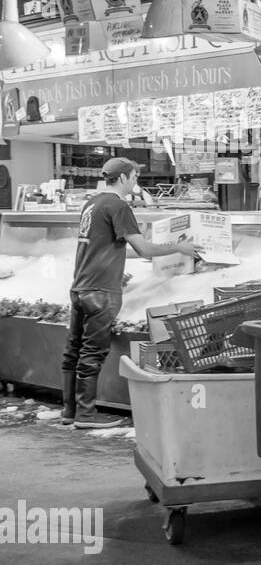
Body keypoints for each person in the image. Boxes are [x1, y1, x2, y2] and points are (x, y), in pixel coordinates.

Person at [62, 158, 200, 429]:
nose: (136, 182)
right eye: (135, 176)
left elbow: (110, 246)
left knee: (73, 351)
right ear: (124, 178)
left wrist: (145, 256)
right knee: (92, 354)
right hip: (102, 290)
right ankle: (86, 415)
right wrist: (179, 248)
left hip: (81, 287)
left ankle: (69, 410)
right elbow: (144, 248)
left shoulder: (92, 203)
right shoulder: (118, 205)